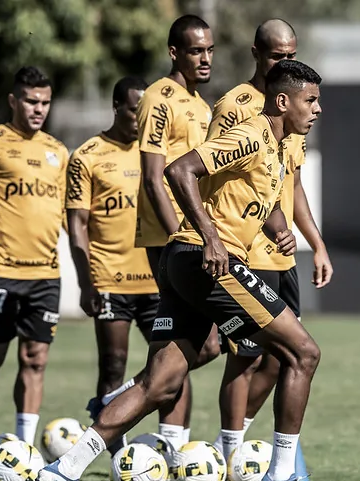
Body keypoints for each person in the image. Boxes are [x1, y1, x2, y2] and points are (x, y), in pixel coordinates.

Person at [39, 60, 328, 481]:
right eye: (310, 100)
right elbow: (180, 170)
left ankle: (65, 469)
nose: (317, 109)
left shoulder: (279, 146)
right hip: (207, 260)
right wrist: (211, 237)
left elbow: (259, 201)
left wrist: (280, 229)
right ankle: (281, 476)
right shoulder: (251, 135)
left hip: (186, 261)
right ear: (282, 101)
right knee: (303, 353)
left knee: (160, 382)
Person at [209, 19, 333, 481]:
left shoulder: (297, 109)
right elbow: (210, 172)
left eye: (291, 54)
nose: (285, 61)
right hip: (244, 251)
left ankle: (235, 447)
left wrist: (315, 243)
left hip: (281, 256)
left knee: (283, 358)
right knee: (243, 356)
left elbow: (291, 185)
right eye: (278, 55)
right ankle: (227, 457)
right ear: (257, 54)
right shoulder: (236, 106)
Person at [85, 14, 219, 450]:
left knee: (195, 348)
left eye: (210, 50)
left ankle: (129, 409)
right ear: (174, 53)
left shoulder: (201, 105)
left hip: (194, 236)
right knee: (202, 343)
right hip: (170, 241)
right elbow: (152, 177)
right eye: (196, 50)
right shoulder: (159, 98)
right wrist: (182, 236)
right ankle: (154, 436)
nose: (205, 58)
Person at [0, 66, 69, 451]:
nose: (39, 109)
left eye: (45, 102)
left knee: (35, 359)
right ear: (13, 101)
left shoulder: (57, 151)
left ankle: (24, 448)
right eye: (31, 101)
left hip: (46, 274)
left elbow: (66, 213)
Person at [66, 76, 155, 452]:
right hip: (110, 279)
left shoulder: (157, 151)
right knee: (113, 364)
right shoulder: (87, 156)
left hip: (157, 279)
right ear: (116, 107)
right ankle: (117, 455)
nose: (141, 118)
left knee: (175, 366)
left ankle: (173, 444)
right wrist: (85, 282)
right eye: (135, 110)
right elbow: (77, 225)